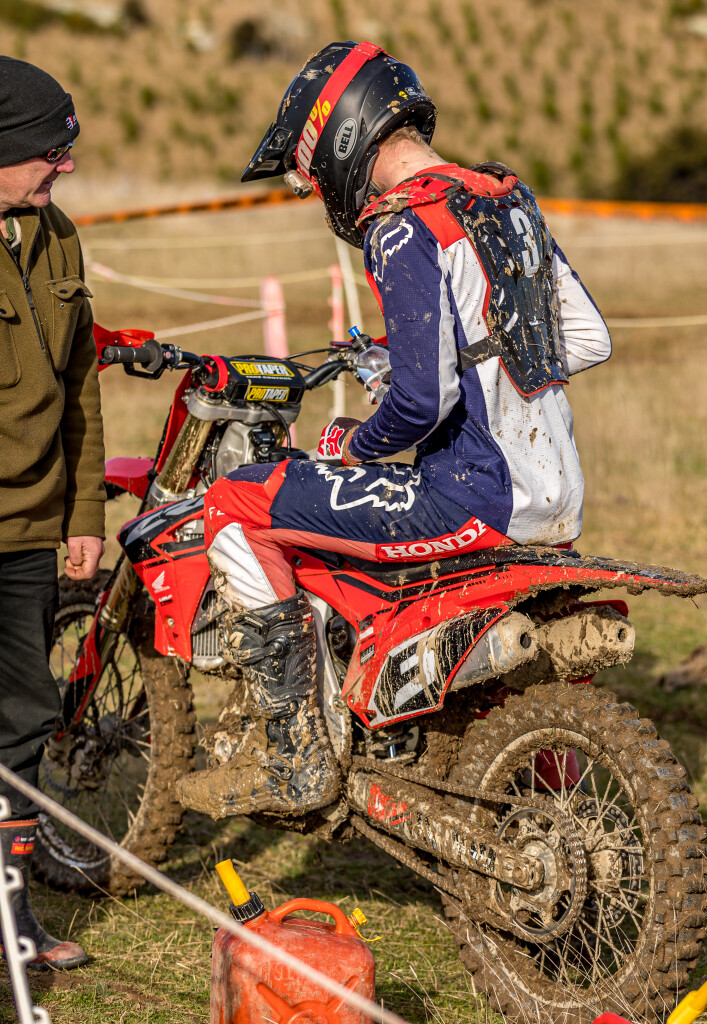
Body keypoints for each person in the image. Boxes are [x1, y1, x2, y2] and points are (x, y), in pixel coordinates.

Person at [176, 41, 611, 820]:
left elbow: (418, 404)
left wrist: (353, 441)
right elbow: (585, 339)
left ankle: (294, 756)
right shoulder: (503, 198)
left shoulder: (402, 225)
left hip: (474, 496)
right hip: (557, 499)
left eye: (307, 172)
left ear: (336, 138)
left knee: (236, 502)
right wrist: (463, 364)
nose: (314, 189)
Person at [0, 56, 105, 969]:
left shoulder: (59, 236)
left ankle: (11, 916)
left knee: (25, 720)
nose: (64, 165)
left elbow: (80, 386)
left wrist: (84, 513)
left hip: (34, 525)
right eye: (48, 150)